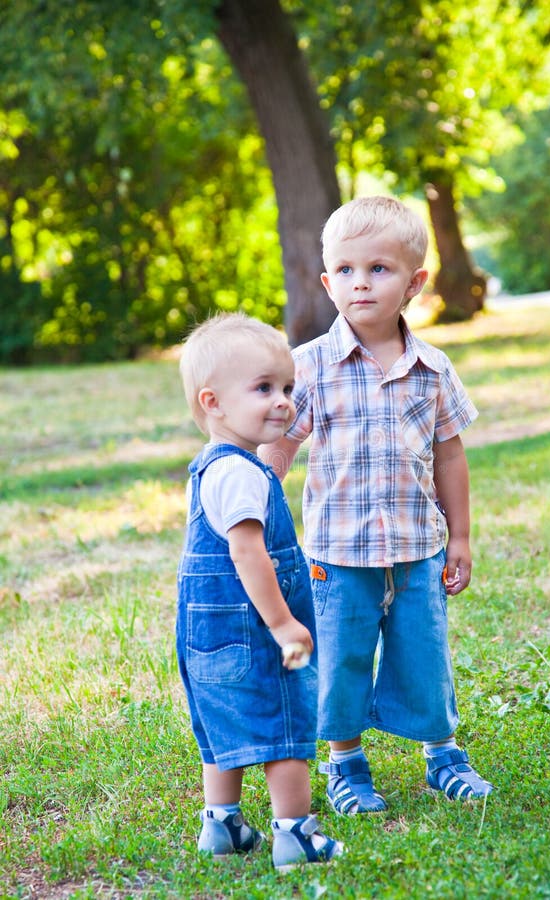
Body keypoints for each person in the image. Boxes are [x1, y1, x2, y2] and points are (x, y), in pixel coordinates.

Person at [260, 196, 493, 815]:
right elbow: (282, 446)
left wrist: (461, 536)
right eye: (345, 270)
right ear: (327, 280)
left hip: (419, 547)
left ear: (414, 283)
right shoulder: (308, 366)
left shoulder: (433, 369)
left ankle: (442, 755)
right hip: (338, 554)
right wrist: (256, 490)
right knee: (341, 657)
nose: (359, 282)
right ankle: (346, 764)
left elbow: (450, 456)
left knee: (424, 652)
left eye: (379, 269)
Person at [176, 313, 343, 869]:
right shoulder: (242, 473)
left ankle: (221, 826)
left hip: (208, 635)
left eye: (288, 388)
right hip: (254, 628)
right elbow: (248, 553)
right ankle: (295, 836)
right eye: (264, 388)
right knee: (287, 724)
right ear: (213, 402)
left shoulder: (210, 468)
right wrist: (281, 623)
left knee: (223, 723)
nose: (283, 401)